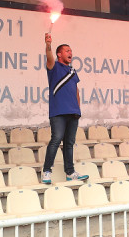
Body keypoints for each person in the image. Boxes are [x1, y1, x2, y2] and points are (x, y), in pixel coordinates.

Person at [40, 32, 89, 184]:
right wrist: (48, 45)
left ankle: (70, 172)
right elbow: (49, 56)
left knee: (69, 143)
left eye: (71, 51)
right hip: (58, 112)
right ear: (59, 54)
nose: (70, 53)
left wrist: (78, 109)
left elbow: (76, 91)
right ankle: (47, 171)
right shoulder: (54, 67)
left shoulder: (73, 71)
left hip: (73, 113)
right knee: (56, 139)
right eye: (67, 50)